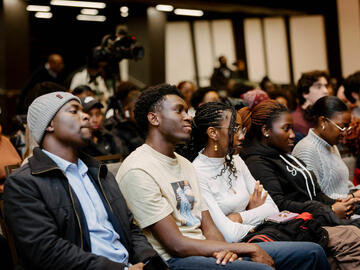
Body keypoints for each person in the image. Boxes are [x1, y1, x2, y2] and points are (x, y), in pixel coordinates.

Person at [116, 84, 330, 270]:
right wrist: (241, 248)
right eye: (179, 111)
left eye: (186, 110)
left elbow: (208, 227)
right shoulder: (139, 169)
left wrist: (226, 251)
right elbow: (176, 244)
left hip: (206, 250)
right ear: (153, 118)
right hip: (174, 261)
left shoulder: (183, 164)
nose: (188, 116)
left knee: (312, 252)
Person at [4, 91, 161, 269]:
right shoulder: (24, 183)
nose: (85, 115)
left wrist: (149, 261)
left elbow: (130, 228)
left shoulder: (99, 172)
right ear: (49, 124)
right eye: (73, 111)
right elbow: (47, 251)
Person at [240, 100, 360, 268]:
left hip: (313, 219)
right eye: (286, 128)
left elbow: (316, 193)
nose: (292, 135)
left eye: (292, 128)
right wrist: (328, 211)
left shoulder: (284, 155)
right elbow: (278, 204)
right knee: (353, 235)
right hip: (296, 226)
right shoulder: (257, 162)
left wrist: (336, 204)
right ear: (266, 131)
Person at [189, 102, 279, 242]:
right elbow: (228, 235)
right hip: (241, 246)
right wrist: (255, 215)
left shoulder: (236, 160)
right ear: (213, 133)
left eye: (241, 129)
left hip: (258, 237)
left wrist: (239, 217)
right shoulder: (197, 172)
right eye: (235, 128)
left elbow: (273, 209)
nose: (242, 136)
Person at [292, 96, 357, 199]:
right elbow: (314, 197)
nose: (345, 133)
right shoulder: (306, 150)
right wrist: (352, 196)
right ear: (323, 121)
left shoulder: (330, 145)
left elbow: (342, 185)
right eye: (342, 127)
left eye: (347, 127)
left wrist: (355, 192)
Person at [291, 70, 329, 141]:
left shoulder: (326, 115)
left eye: (326, 86)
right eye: (319, 87)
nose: (326, 91)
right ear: (305, 93)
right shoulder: (295, 122)